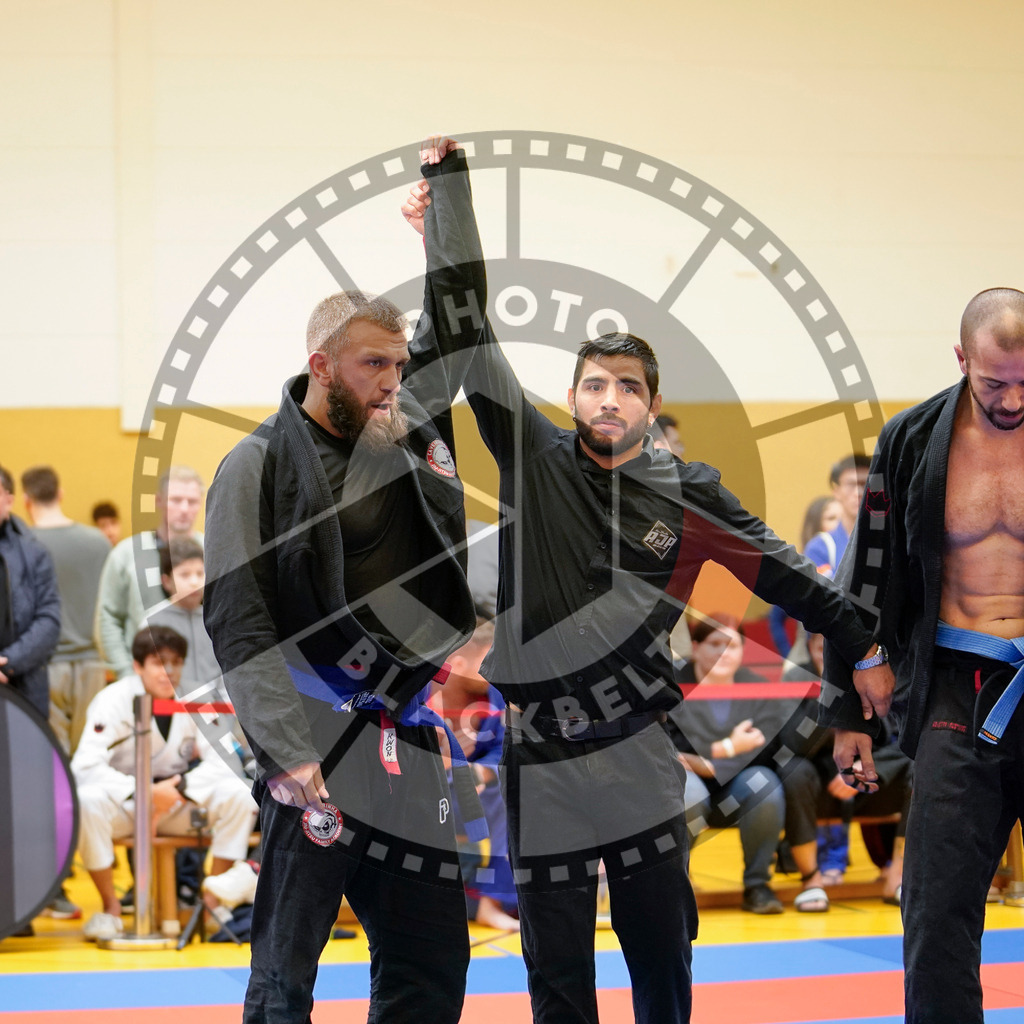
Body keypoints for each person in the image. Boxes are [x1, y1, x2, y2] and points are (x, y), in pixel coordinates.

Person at [404, 139, 894, 1024]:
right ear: (575, 393)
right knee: (555, 960)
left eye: (626, 386)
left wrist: (864, 646)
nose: (607, 399)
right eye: (593, 383)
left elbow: (791, 579)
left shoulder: (689, 492)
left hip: (634, 752)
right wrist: (449, 201)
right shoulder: (534, 456)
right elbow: (471, 339)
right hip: (541, 753)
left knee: (659, 948)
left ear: (649, 404)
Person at [203, 177, 487, 1021]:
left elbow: (461, 331)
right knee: (287, 973)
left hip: (406, 732)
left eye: (400, 364)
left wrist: (450, 205)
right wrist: (288, 757)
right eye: (375, 364)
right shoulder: (254, 469)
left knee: (432, 961)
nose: (393, 381)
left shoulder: (399, 429)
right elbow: (239, 622)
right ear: (321, 364)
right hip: (315, 742)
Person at [823, 286, 1024, 1024]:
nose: (1011, 399)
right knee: (936, 901)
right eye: (993, 381)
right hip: (955, 685)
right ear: (961, 359)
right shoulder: (913, 440)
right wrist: (847, 708)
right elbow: (867, 572)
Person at [71, 624, 258, 941]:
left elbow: (225, 764)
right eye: (159, 663)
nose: (168, 671)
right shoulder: (112, 700)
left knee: (240, 795)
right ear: (137, 667)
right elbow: (84, 765)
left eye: (175, 662)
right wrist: (143, 792)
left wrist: (177, 789)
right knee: (87, 800)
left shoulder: (198, 697)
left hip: (176, 804)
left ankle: (212, 902)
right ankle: (111, 909)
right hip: (127, 806)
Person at [666, 616, 789, 914]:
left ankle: (757, 886)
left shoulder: (756, 685)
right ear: (695, 647)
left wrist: (710, 762)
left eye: (732, 645)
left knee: (765, 783)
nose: (723, 652)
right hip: (689, 781)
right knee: (689, 792)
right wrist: (729, 747)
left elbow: (768, 748)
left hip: (735, 783)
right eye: (714, 644)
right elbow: (666, 745)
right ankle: (674, 884)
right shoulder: (672, 684)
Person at [781, 632, 910, 911]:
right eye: (821, 648)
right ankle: (811, 879)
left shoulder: (872, 677)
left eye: (834, 649)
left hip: (867, 778)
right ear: (810, 648)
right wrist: (829, 698)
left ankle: (897, 876)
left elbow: (901, 740)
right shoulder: (795, 679)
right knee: (792, 772)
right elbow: (791, 744)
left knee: (917, 768)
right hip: (818, 783)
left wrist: (864, 765)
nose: (828, 657)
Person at [429, 615, 518, 931]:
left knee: (509, 782)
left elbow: (500, 753)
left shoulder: (494, 697)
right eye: (488, 658)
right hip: (420, 788)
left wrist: (478, 770)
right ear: (460, 663)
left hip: (473, 789)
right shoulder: (420, 693)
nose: (496, 667)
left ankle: (500, 899)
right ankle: (488, 903)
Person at [22, 466, 110, 755]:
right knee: (92, 757)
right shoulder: (99, 542)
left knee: (52, 759)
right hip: (93, 665)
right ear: (61, 494)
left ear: (26, 501)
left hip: (45, 666)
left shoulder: (24, 547)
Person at [95, 467, 204, 680]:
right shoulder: (127, 554)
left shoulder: (214, 551)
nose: (184, 509)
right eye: (175, 500)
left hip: (200, 681)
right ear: (159, 501)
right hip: (142, 678)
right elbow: (108, 617)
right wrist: (127, 673)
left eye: (191, 501)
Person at [0, 464, 60, 720]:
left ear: (9, 499)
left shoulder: (35, 553)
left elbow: (49, 620)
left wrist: (8, 662)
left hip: (23, 682)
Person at [804, 454, 871, 577]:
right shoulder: (820, 548)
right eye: (851, 485)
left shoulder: (894, 539)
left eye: (865, 484)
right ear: (836, 491)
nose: (858, 493)